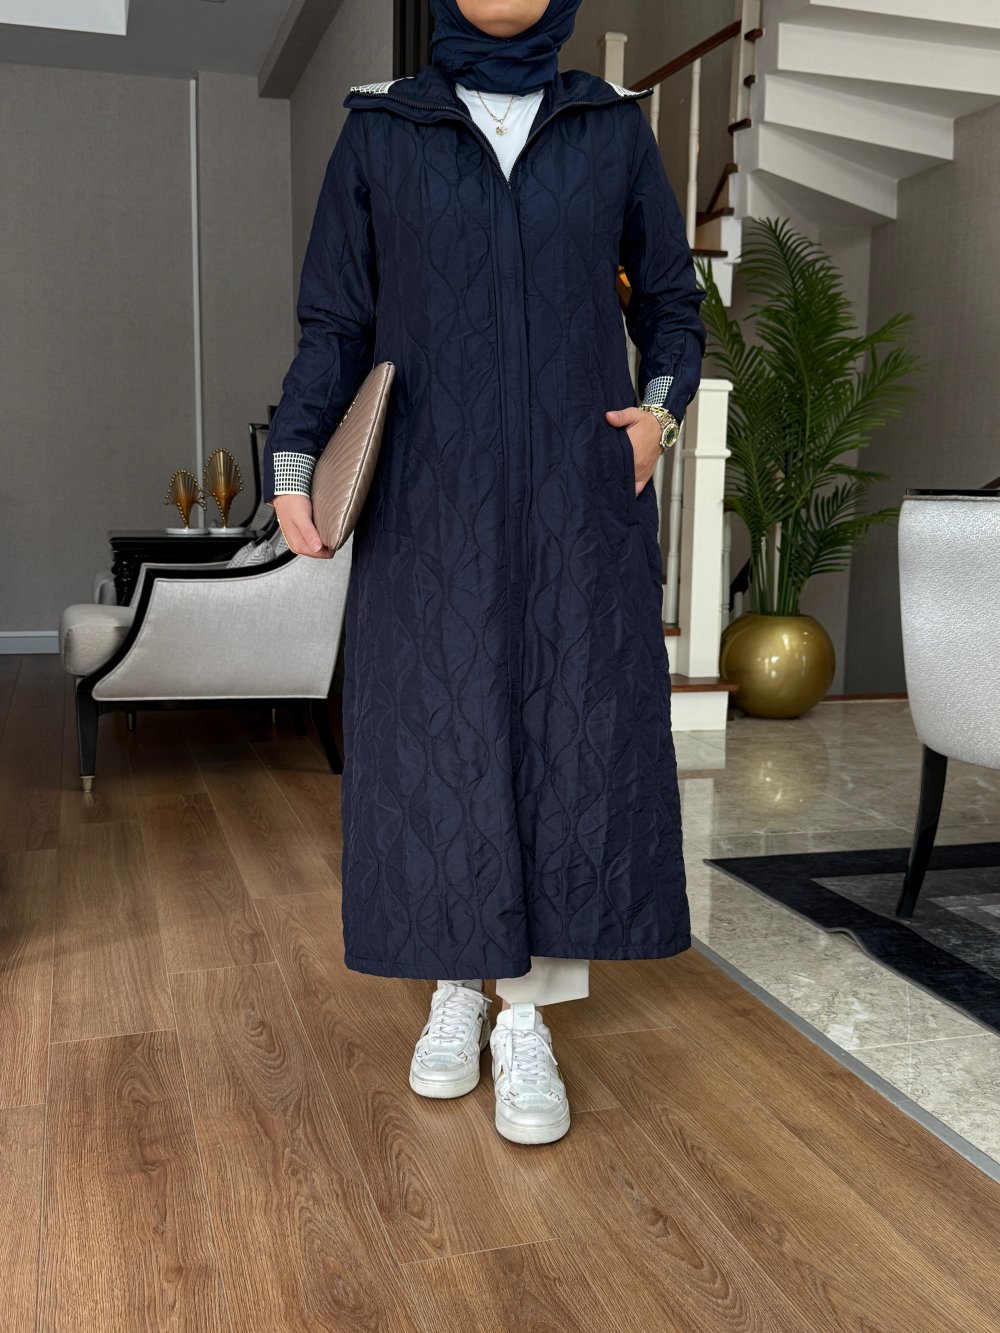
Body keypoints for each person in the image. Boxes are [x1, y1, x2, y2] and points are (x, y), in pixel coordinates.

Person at [263, 0, 706, 1146]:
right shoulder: (381, 129)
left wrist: (657, 417)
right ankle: (455, 986)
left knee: (567, 734)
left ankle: (528, 1017)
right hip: (430, 497)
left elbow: (672, 302)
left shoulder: (609, 126)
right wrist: (294, 463)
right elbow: (334, 319)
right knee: (437, 733)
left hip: (574, 497)